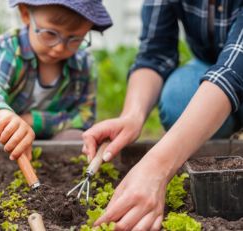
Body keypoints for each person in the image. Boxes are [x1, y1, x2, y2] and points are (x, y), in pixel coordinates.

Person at [82, 1, 243, 230]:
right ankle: (223, 121)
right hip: (212, 64)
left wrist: (157, 167)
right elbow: (155, 54)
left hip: (232, 68)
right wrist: (132, 116)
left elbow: (232, 73)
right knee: (177, 100)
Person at [0, 0, 112, 160]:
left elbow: (84, 117)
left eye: (75, 39)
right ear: (25, 14)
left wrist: (32, 120)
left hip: (51, 134)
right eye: (50, 34)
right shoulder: (11, 47)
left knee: (76, 139)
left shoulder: (84, 63)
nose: (59, 48)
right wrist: (2, 119)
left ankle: (46, 170)